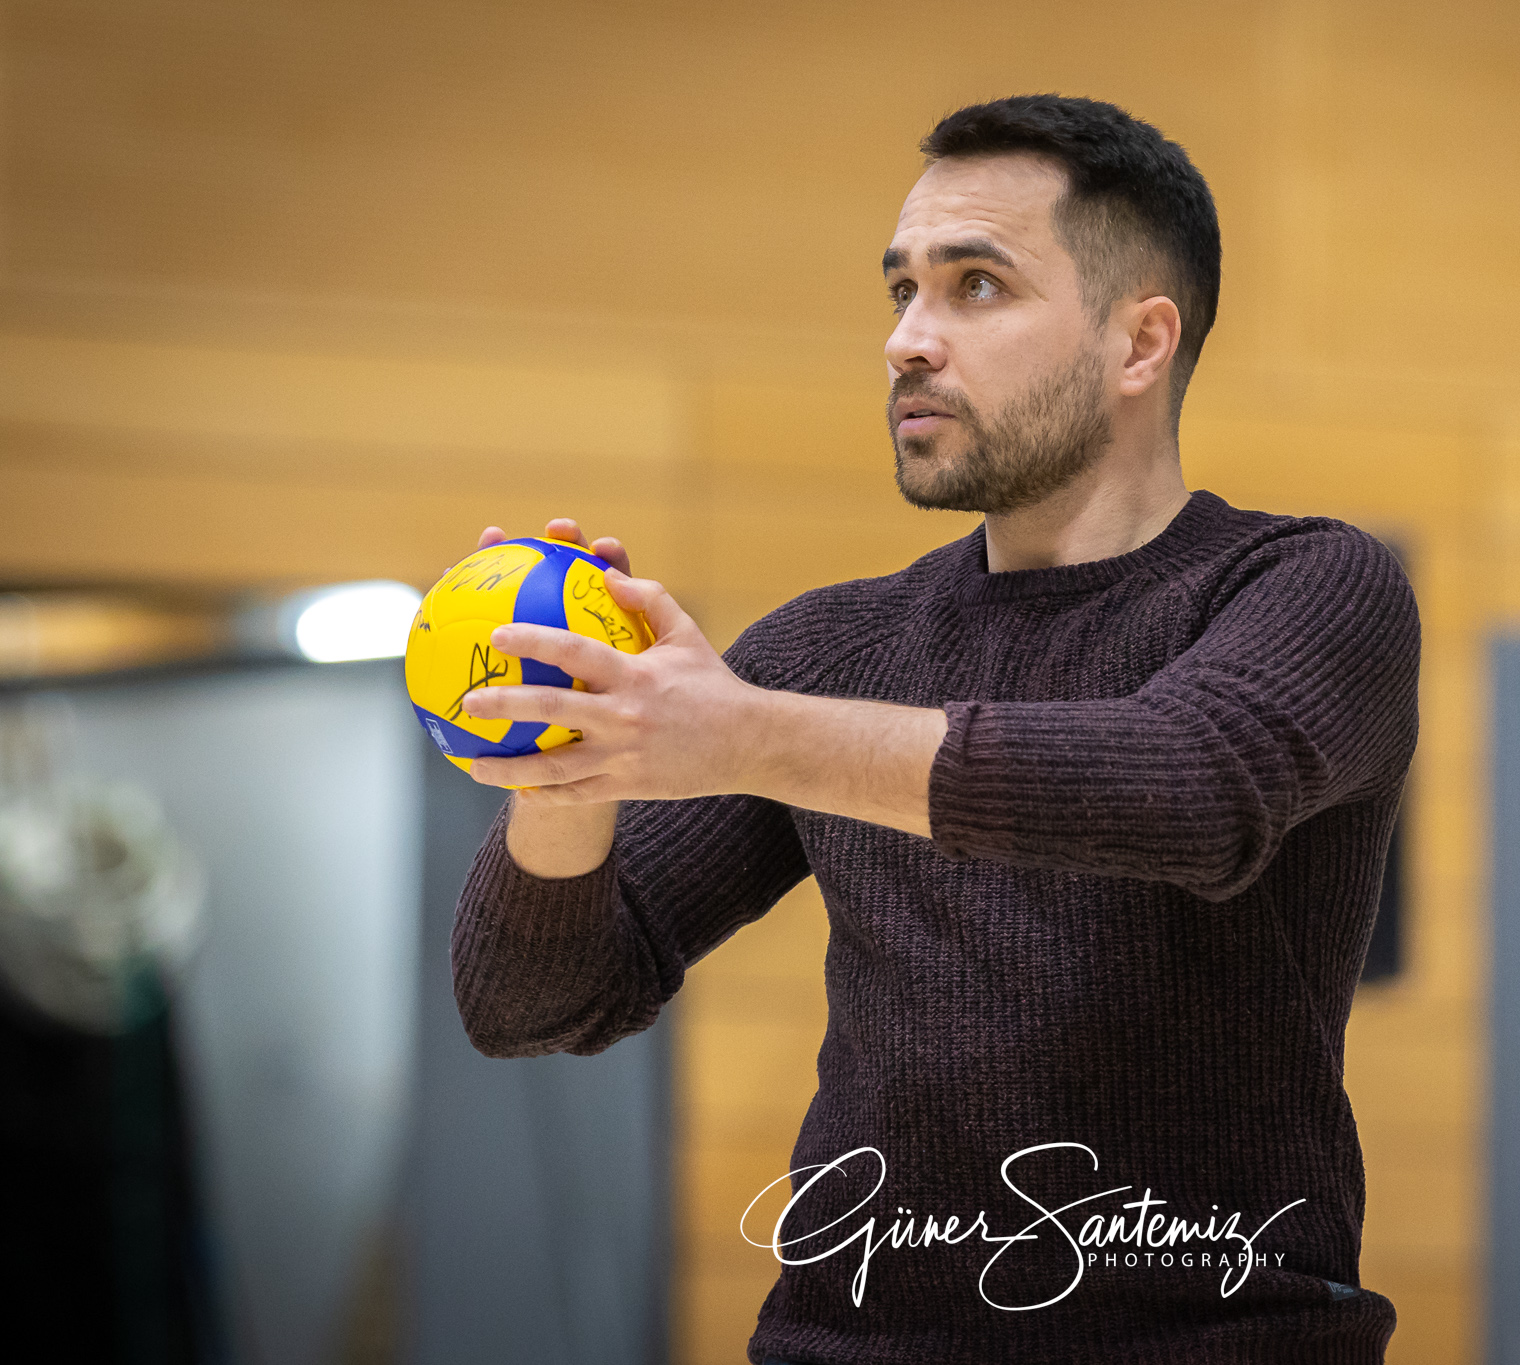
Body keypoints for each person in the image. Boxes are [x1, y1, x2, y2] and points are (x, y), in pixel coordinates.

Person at [454, 94, 1418, 1364]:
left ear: (1138, 342)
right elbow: (533, 1000)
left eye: (975, 287)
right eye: (901, 290)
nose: (908, 340)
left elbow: (1190, 789)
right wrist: (569, 759)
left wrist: (737, 733)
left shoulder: (1305, 587)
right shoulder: (829, 650)